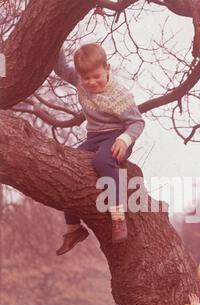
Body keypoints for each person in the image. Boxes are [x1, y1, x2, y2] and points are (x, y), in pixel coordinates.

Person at [53, 43, 145, 254]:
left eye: (97, 76)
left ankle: (118, 215)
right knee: (67, 166)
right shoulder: (79, 79)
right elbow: (61, 68)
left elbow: (137, 123)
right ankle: (74, 228)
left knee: (102, 161)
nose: (92, 82)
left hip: (117, 135)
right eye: (86, 78)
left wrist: (124, 140)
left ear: (107, 68)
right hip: (94, 136)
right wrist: (56, 39)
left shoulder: (119, 95)